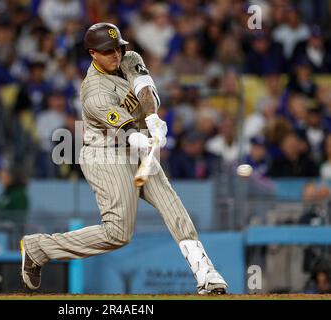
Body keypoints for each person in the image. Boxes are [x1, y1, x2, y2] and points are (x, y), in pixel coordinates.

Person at [20, 23, 228, 295]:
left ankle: (206, 273)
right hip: (105, 154)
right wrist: (140, 137)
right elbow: (126, 131)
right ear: (93, 53)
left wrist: (152, 118)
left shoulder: (130, 58)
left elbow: (145, 91)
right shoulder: (93, 91)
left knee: (171, 205)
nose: (115, 55)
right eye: (107, 51)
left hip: (135, 147)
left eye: (117, 47)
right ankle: (38, 248)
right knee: (118, 233)